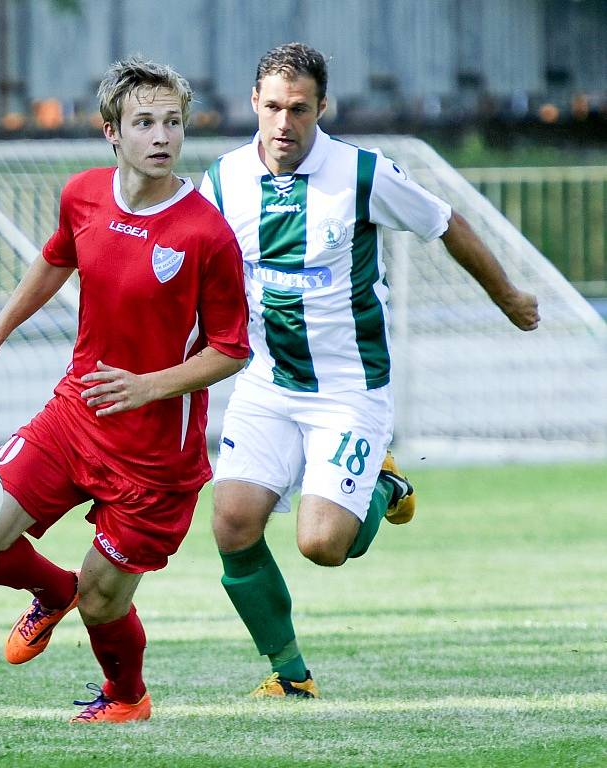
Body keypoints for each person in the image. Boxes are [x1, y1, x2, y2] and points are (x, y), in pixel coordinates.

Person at [199, 42, 539, 698]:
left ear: (321, 108)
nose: (282, 122)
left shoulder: (361, 174)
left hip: (349, 391)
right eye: (271, 106)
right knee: (231, 525)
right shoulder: (221, 181)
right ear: (252, 103)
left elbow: (444, 223)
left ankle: (383, 485)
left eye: (298, 109)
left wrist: (507, 297)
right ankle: (290, 676)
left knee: (324, 545)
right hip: (265, 385)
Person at [0, 57, 249, 723]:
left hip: (155, 461)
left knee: (105, 602)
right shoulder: (83, 194)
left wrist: (149, 387)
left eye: (172, 121)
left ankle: (126, 698)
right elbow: (58, 256)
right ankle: (54, 592)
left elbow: (231, 348)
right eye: (144, 122)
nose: (161, 135)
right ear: (112, 131)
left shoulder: (205, 233)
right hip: (74, 417)